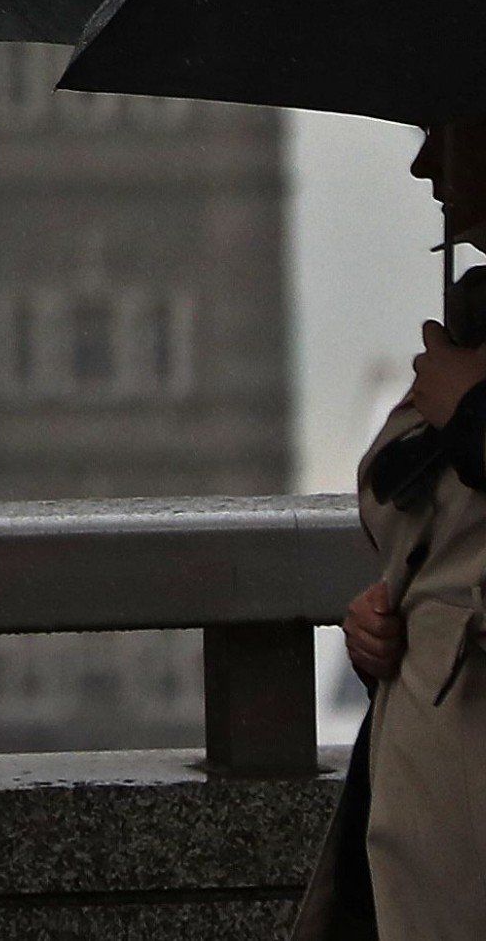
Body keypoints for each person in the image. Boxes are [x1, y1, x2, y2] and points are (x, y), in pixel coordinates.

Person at [298, 121, 486, 941]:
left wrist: (473, 416)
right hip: (424, 794)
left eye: (447, 129)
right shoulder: (471, 330)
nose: (424, 162)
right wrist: (387, 617)